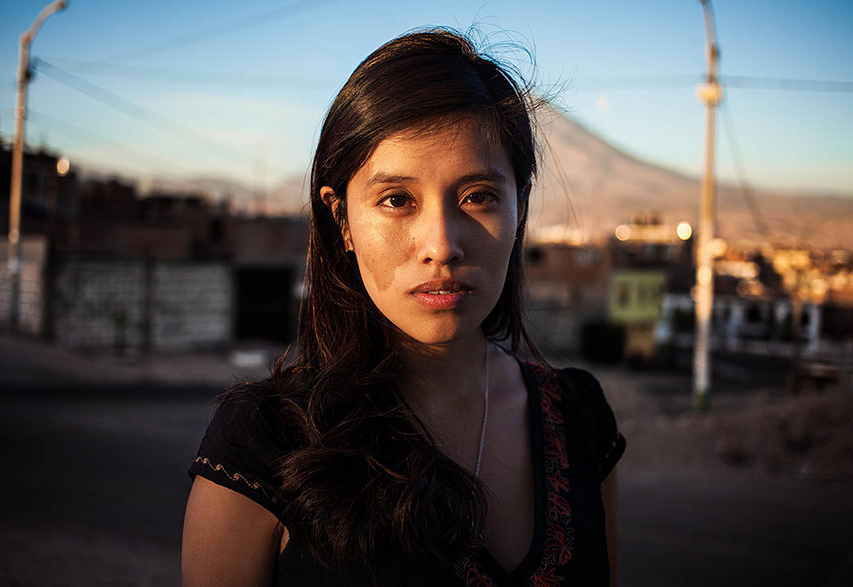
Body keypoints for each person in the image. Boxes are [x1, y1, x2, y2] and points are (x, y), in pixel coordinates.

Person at [182, 28, 625, 587]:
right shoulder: (262, 442)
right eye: (397, 200)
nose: (440, 244)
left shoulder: (582, 421)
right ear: (341, 219)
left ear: (521, 209)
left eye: (479, 196)